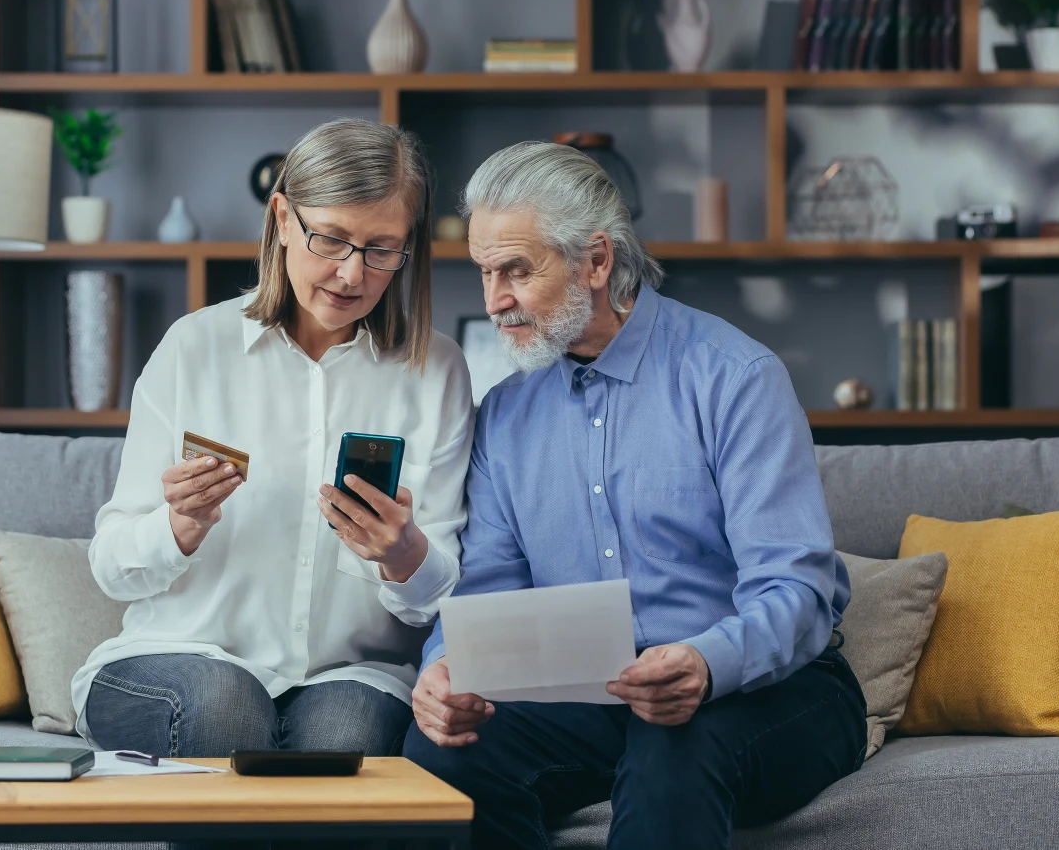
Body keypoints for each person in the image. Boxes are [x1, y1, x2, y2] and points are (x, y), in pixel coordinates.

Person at [403, 142, 867, 849]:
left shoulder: (734, 377)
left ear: (596, 260)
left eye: (517, 270)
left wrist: (707, 663)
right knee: (442, 754)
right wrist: (446, 666)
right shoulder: (504, 415)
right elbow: (489, 594)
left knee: (670, 741)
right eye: (485, 272)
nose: (494, 301)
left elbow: (796, 590)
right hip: (592, 695)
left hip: (767, 689)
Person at [72, 118, 475, 759]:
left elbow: (444, 596)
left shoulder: (437, 370)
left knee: (347, 740)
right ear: (283, 219)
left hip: (348, 676)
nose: (352, 274)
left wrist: (404, 554)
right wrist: (178, 526)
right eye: (331, 239)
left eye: (381, 249)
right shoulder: (193, 348)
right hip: (180, 656)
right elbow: (110, 569)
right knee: (226, 710)